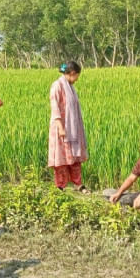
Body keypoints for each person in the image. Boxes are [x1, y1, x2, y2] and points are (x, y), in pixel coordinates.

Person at [48, 61, 89, 192]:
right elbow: (55, 107)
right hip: (62, 128)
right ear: (72, 73)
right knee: (61, 157)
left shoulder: (70, 87)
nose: (77, 79)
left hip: (73, 128)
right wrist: (60, 127)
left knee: (74, 156)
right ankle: (60, 185)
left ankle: (78, 184)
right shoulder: (57, 86)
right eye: (77, 76)